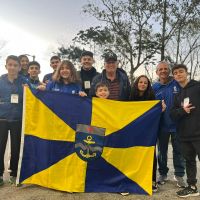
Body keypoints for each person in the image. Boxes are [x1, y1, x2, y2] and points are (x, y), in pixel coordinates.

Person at [130, 75, 166, 193]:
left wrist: (160, 109)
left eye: (145, 83)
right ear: (137, 83)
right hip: (133, 131)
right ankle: (133, 179)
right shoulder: (129, 97)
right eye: (140, 82)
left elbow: (155, 114)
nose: (143, 84)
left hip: (147, 132)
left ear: (148, 85)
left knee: (150, 155)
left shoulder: (152, 98)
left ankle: (151, 181)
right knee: (133, 156)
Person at [152, 61, 185, 187]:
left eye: (166, 69)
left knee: (178, 151)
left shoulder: (177, 83)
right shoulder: (154, 87)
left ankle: (179, 175)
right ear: (157, 72)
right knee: (162, 151)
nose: (163, 71)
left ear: (169, 71)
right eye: (160, 69)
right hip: (162, 125)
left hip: (178, 125)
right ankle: (163, 173)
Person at [170, 64, 200, 198]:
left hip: (198, 133)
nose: (178, 75)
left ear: (186, 73)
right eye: (175, 73)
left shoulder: (197, 87)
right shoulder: (177, 94)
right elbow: (172, 114)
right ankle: (192, 187)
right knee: (189, 161)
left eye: (181, 72)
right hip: (184, 134)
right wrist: (182, 110)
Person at [0, 55, 26, 186]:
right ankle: (0, 175)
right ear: (6, 66)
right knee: (0, 147)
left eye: (15, 65)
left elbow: (34, 92)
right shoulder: (0, 80)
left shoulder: (24, 81)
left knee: (16, 148)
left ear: (20, 67)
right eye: (10, 64)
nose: (12, 67)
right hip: (2, 119)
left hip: (17, 119)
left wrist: (42, 88)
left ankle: (14, 174)